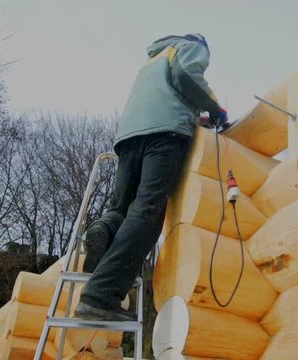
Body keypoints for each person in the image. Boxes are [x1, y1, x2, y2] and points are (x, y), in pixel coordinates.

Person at [74, 33, 228, 321]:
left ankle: (104, 230)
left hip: (130, 135)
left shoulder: (153, 59)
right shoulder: (190, 47)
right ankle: (100, 296)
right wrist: (214, 108)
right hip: (164, 135)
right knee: (147, 211)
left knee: (121, 208)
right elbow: (186, 75)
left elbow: (166, 93)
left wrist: (196, 118)